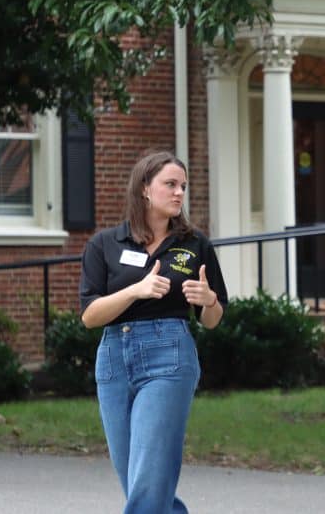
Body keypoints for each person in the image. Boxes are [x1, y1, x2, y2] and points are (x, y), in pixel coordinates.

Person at [79, 151, 228, 514]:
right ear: (146, 188)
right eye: (170, 185)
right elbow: (89, 316)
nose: (179, 193)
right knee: (138, 476)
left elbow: (212, 319)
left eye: (183, 186)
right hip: (113, 358)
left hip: (169, 356)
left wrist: (208, 300)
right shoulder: (106, 244)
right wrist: (136, 290)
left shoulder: (195, 244)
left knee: (148, 477)